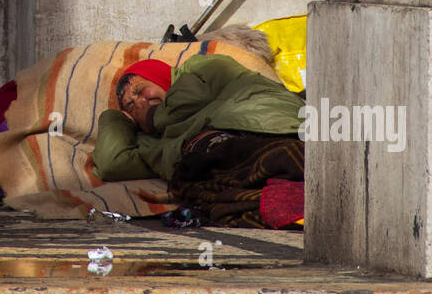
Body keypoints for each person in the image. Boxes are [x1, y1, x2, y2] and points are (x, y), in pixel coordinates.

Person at [92, 56, 306, 229]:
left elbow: (191, 98)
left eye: (140, 90)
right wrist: (113, 117)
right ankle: (290, 202)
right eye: (130, 106)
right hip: (213, 165)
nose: (139, 102)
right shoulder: (152, 143)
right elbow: (113, 163)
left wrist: (151, 117)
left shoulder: (200, 69)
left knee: (284, 157)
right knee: (221, 201)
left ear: (162, 79)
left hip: (267, 130)